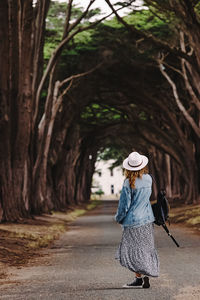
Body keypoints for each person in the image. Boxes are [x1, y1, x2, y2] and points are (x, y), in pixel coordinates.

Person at [115, 151, 159, 288]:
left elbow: (124, 205)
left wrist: (119, 218)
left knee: (133, 250)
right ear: (142, 166)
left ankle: (138, 279)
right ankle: (145, 276)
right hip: (147, 220)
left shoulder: (128, 183)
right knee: (146, 248)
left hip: (132, 222)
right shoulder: (148, 179)